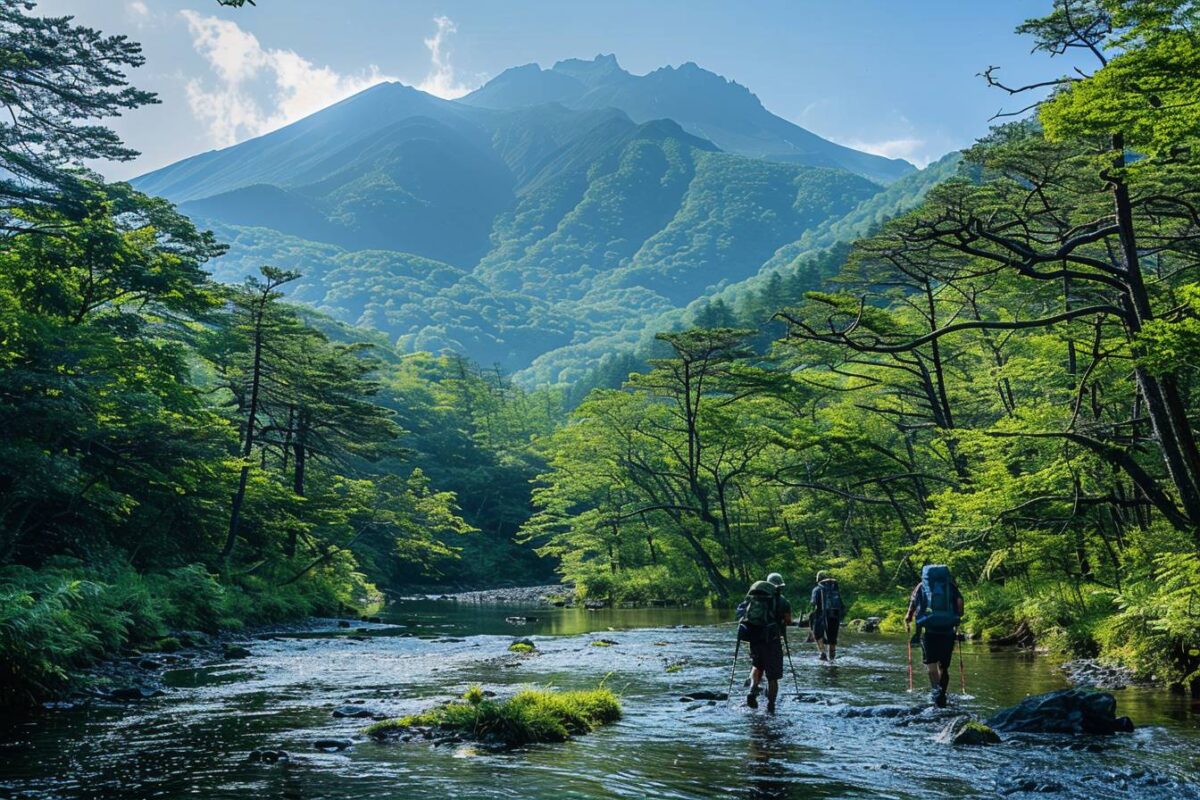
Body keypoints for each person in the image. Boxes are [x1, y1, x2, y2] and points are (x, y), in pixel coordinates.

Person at [904, 564, 964, 707]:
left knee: (931, 666)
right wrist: (955, 616)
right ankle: (942, 692)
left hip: (929, 632)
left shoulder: (921, 587)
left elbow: (912, 605)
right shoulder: (950, 587)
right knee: (944, 666)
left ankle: (936, 692)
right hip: (948, 631)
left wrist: (908, 618)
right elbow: (960, 605)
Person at [736, 572, 793, 713]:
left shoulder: (753, 598)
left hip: (754, 639)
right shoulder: (782, 601)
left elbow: (741, 614)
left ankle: (752, 690)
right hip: (772, 641)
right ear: (779, 586)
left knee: (757, 666)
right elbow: (788, 621)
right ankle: (771, 706)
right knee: (773, 677)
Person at [809, 571, 844, 661]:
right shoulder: (835, 589)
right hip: (835, 615)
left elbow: (813, 603)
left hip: (821, 615)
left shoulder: (817, 589)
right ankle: (832, 656)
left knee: (818, 634)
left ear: (818, 579)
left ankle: (822, 653)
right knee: (832, 637)